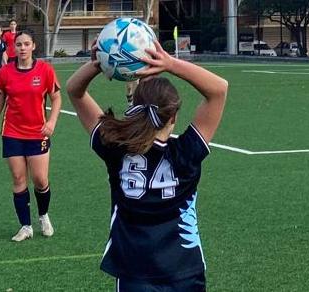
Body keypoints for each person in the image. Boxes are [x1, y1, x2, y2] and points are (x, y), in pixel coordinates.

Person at [66, 40, 228, 291]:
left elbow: (74, 91)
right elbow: (219, 89)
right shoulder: (187, 152)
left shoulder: (115, 148)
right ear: (172, 117)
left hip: (134, 271)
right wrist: (170, 63)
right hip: (185, 270)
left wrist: (101, 62)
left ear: (135, 107)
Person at [0, 30, 62, 242]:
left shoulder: (45, 70)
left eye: (26, 44)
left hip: (38, 133)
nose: (22, 48)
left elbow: (56, 98)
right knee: (18, 179)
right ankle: (25, 226)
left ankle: (43, 215)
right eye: (19, 44)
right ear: (14, 47)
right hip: (12, 133)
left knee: (40, 180)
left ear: (33, 46)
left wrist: (52, 122)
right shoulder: (5, 72)